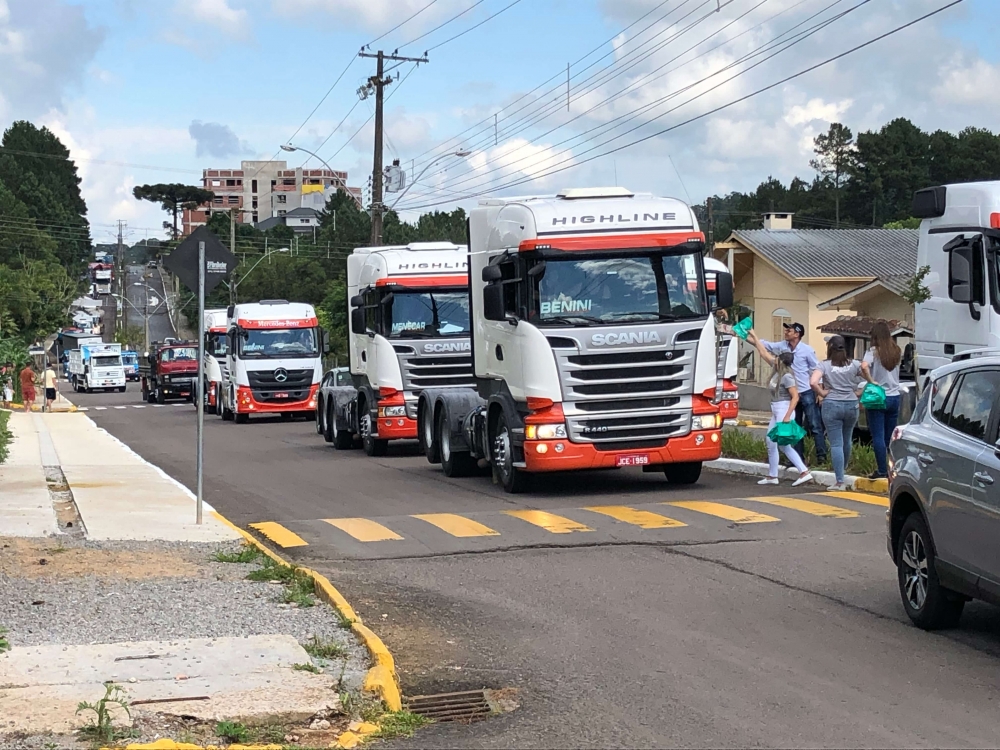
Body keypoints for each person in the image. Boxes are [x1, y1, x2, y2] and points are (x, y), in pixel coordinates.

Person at [747, 322, 826, 464]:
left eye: (789, 330)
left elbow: (815, 370)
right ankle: (797, 457)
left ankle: (821, 457)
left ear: (797, 334)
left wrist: (819, 392)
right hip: (790, 394)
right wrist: (743, 336)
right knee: (794, 426)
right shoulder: (782, 346)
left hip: (806, 391)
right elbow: (763, 346)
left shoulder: (807, 350)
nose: (786, 332)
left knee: (815, 425)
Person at [810, 335, 873, 490]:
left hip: (832, 404)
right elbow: (866, 373)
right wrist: (864, 388)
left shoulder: (824, 365)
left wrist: (822, 392)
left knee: (836, 443)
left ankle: (839, 481)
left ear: (829, 348)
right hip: (851, 404)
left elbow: (812, 382)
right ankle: (842, 471)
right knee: (847, 440)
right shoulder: (854, 364)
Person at [750, 335, 814, 486]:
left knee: (783, 444)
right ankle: (773, 476)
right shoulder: (778, 371)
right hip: (777, 411)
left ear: (782, 362)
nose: (774, 359)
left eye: (777, 358)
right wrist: (753, 335)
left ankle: (804, 471)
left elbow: (795, 397)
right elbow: (763, 352)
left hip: (784, 410)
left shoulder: (787, 377)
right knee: (770, 441)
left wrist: (786, 416)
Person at [864, 321, 902, 479]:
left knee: (878, 436)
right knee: (889, 437)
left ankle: (881, 470)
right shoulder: (896, 351)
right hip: (895, 396)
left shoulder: (873, 351)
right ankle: (891, 468)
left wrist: (871, 380)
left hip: (879, 396)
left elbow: (864, 366)